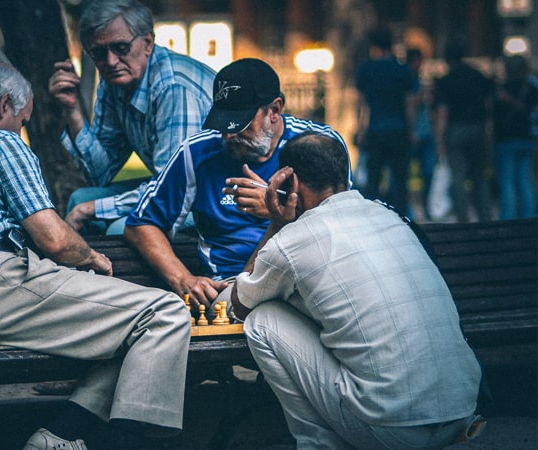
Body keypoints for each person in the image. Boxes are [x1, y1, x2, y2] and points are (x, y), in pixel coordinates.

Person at [0, 64, 191, 450]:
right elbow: (55, 240)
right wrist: (91, 256)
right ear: (4, 104)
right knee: (165, 312)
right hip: (5, 285)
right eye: (22, 121)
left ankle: (62, 436)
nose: (20, 131)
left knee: (132, 339)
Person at [230, 132, 484, 449]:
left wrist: (277, 224)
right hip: (463, 411)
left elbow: (240, 304)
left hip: (392, 430)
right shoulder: (391, 216)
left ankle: (319, 446)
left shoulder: (293, 240)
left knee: (262, 320)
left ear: (290, 183)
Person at [124, 58, 349, 315]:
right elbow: (141, 224)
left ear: (274, 110)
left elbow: (344, 223)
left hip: (309, 274)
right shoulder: (197, 152)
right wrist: (183, 278)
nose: (228, 135)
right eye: (223, 122)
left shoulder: (318, 145)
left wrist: (276, 208)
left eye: (240, 124)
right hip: (233, 284)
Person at [49, 0, 215, 235]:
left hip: (216, 199)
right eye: (98, 52)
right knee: (81, 198)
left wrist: (91, 209)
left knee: (120, 229)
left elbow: (171, 188)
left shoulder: (173, 88)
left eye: (121, 47)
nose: (110, 61)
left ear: (147, 43)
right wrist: (72, 110)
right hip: (177, 188)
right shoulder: (115, 82)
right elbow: (101, 174)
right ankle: (83, 261)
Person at [355, 26, 418, 215]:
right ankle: (402, 218)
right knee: (400, 181)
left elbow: (362, 104)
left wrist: (361, 130)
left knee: (373, 180)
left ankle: (373, 218)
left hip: (375, 131)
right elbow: (409, 104)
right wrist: (411, 130)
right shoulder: (403, 70)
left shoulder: (366, 69)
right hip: (398, 130)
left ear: (374, 46)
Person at [433, 40, 495, 222]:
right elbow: (489, 105)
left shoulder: (445, 81)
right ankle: (485, 217)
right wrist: (489, 131)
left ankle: (463, 217)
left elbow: (443, 113)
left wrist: (440, 141)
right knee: (479, 176)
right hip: (477, 128)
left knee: (458, 177)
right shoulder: (477, 76)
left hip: (456, 131)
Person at [494, 54, 537, 220]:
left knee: (507, 180)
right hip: (526, 136)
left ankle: (508, 217)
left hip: (506, 138)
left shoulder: (502, 89)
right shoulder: (531, 88)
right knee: (524, 178)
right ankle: (528, 215)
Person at [406, 47, 437, 220]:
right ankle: (410, 208)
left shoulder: (419, 80)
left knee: (428, 172)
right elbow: (410, 105)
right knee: (407, 174)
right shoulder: (408, 81)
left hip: (426, 132)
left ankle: (426, 206)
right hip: (415, 133)